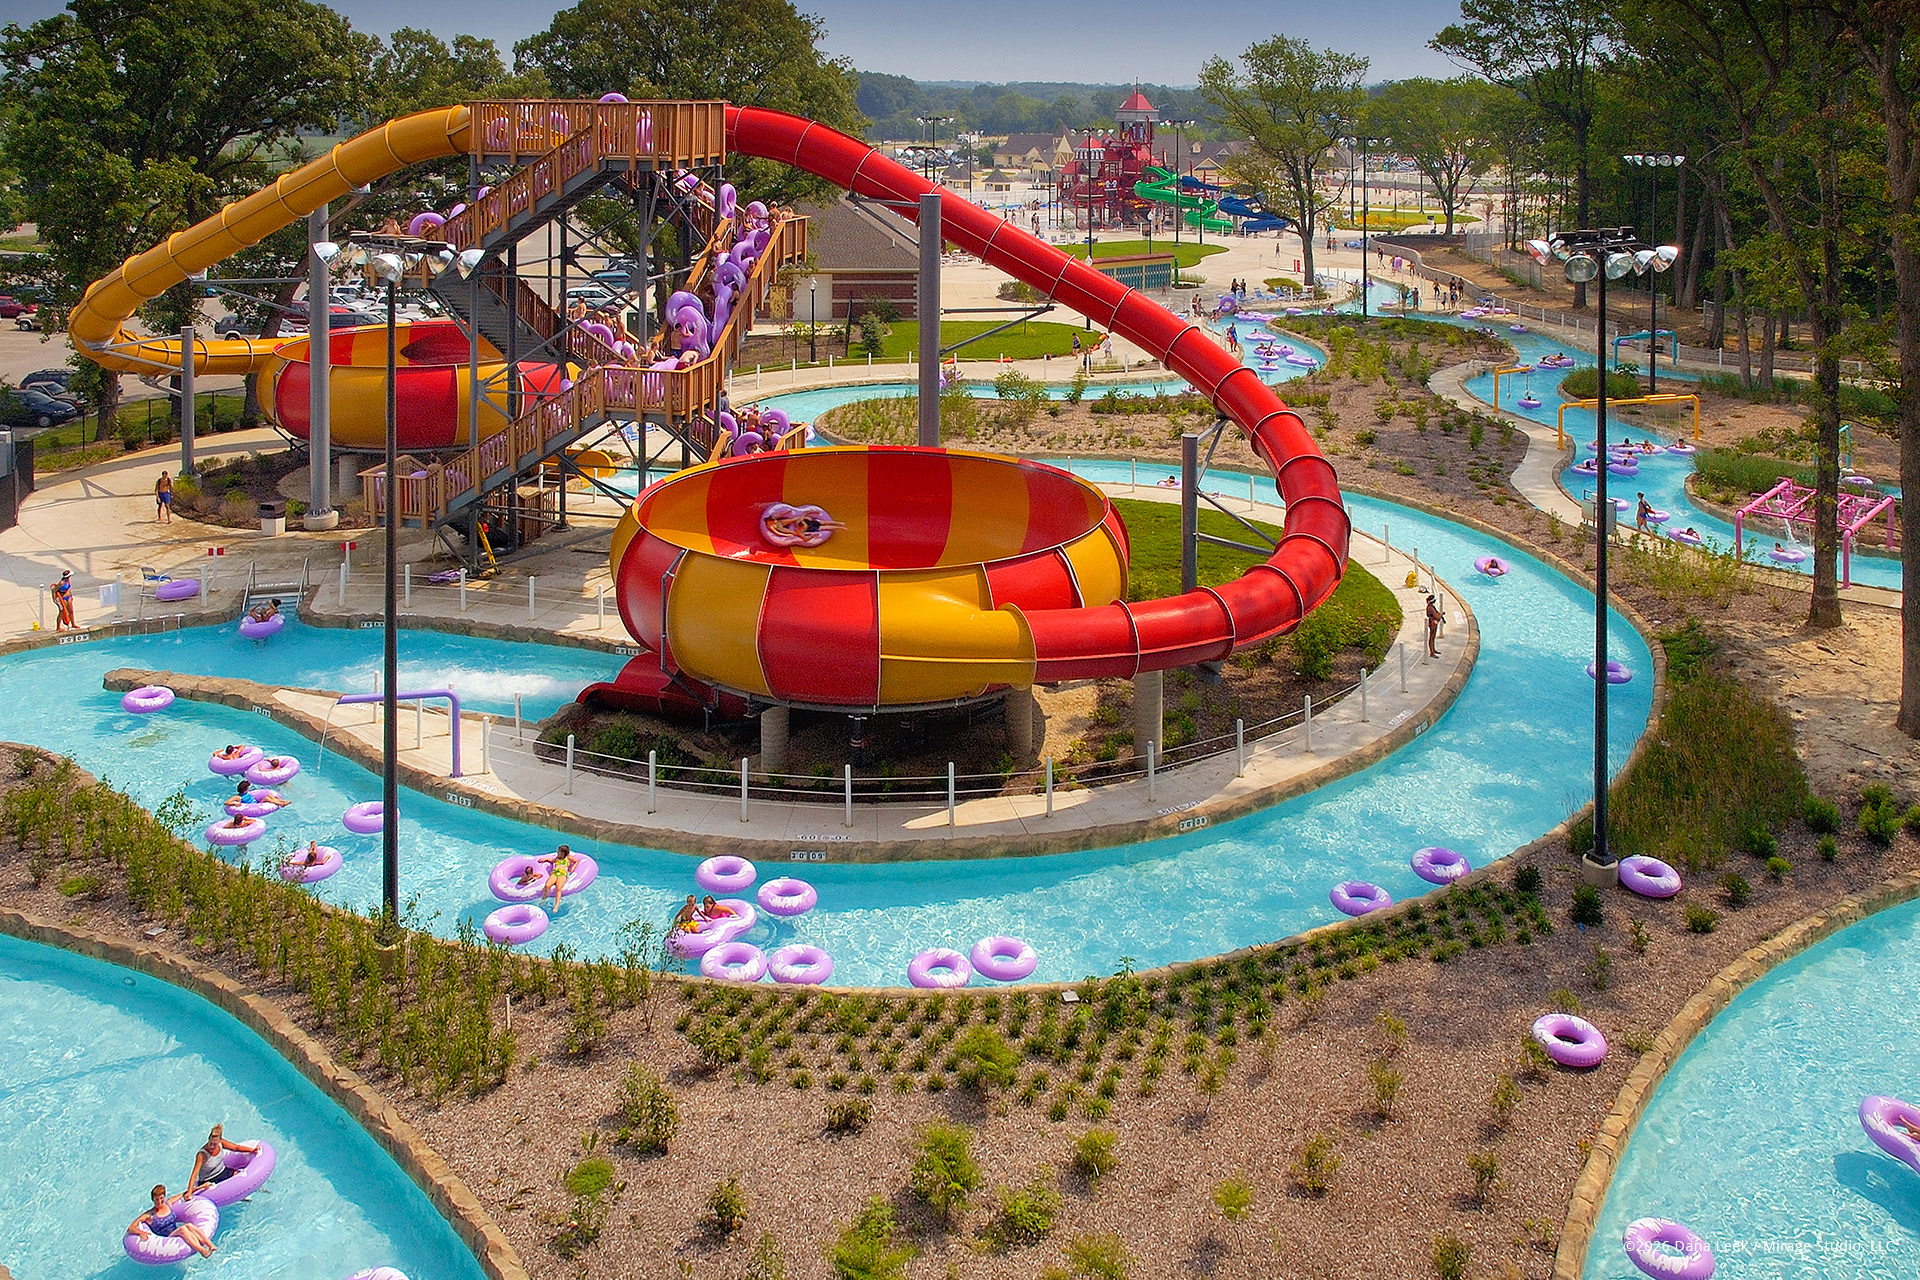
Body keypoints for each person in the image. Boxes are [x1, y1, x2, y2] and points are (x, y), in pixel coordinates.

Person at [128, 1184, 215, 1258]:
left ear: (164, 1197)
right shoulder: (150, 1215)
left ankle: (210, 1244)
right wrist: (141, 1233)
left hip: (176, 1233)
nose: (159, 1202)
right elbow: (131, 1228)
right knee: (183, 1229)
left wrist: (202, 1187)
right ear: (153, 1200)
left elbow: (183, 1193)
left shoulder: (168, 1204)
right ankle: (202, 1251)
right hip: (166, 1239)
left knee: (189, 1226)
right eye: (156, 1200)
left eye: (161, 1198)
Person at [187, 1124, 258, 1197]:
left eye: (214, 1144)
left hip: (223, 1172)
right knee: (229, 1191)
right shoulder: (202, 1155)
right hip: (209, 1180)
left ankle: (259, 1189)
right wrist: (189, 1192)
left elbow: (235, 1148)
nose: (211, 1146)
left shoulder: (221, 1143)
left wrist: (252, 1150)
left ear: (219, 1141)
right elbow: (194, 1174)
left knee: (241, 1178)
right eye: (210, 1143)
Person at [542, 845, 578, 912]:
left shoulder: (568, 858)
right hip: (555, 873)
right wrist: (546, 859)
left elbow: (576, 861)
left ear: (565, 853)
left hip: (562, 874)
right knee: (547, 885)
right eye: (558, 852)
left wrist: (573, 867)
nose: (558, 853)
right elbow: (552, 861)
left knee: (558, 888)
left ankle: (556, 905)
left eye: (560, 852)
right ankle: (543, 900)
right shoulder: (557, 858)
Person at [1424, 592, 1443, 659]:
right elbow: (1437, 616)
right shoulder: (1430, 608)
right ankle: (1432, 652)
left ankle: (1433, 650)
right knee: (1431, 638)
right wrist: (1441, 614)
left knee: (1433, 637)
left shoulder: (1431, 607)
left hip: (1433, 623)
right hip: (1432, 624)